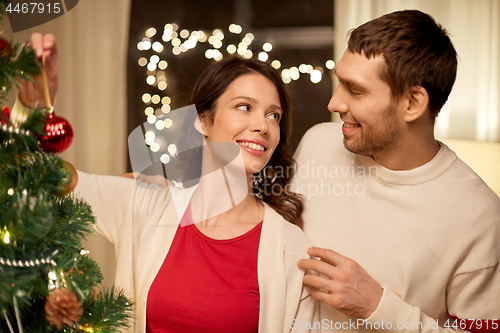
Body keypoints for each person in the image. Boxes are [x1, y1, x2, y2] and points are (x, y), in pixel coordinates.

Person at [14, 34, 318, 332]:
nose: (262, 125)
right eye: (244, 107)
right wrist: (33, 109)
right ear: (202, 121)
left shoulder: (289, 250)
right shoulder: (144, 204)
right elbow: (33, 176)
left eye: (273, 115)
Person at [295, 9, 500, 332]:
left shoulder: (479, 214)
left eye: (356, 90)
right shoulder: (317, 144)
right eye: (340, 84)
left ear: (412, 103)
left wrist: (377, 306)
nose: (334, 104)